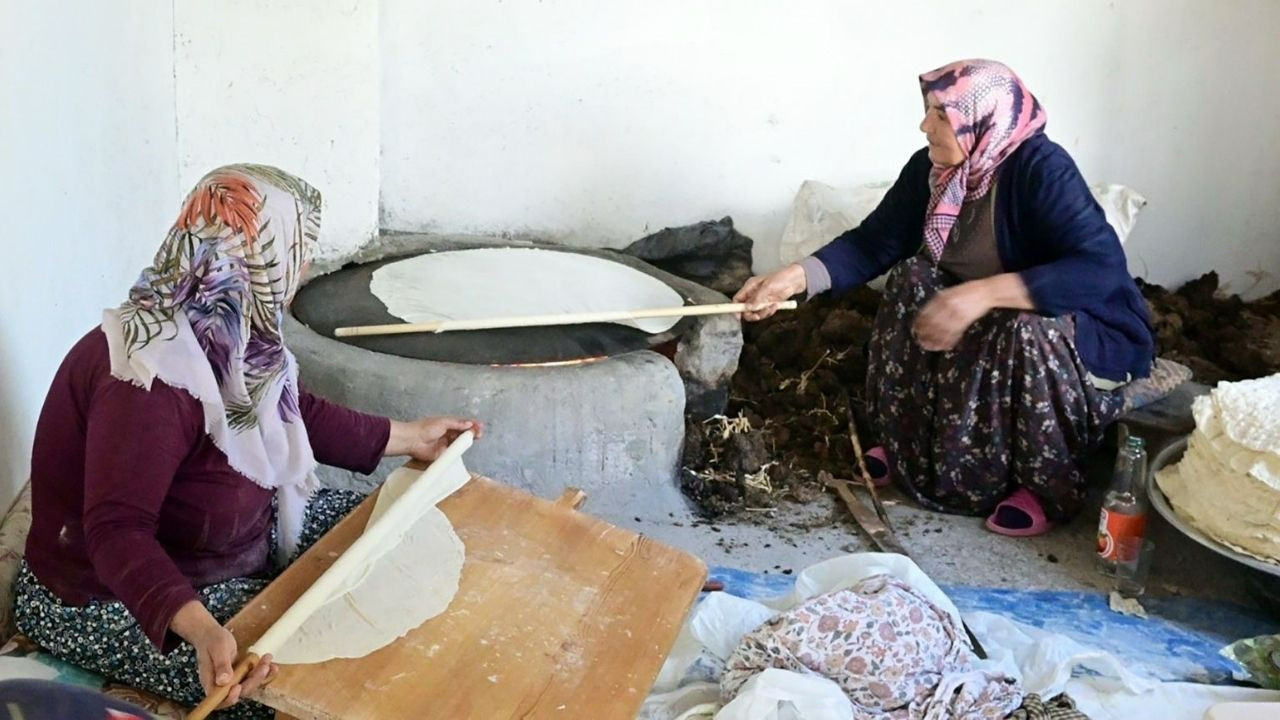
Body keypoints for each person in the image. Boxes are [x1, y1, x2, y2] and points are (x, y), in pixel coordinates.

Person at [15, 164, 484, 718]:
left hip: (227, 547)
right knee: (293, 677)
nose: (304, 268)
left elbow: (294, 411)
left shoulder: (229, 334)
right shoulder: (145, 376)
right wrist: (204, 632)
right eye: (298, 251)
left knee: (389, 533)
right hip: (102, 598)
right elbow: (117, 532)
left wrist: (409, 438)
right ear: (256, 260)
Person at [736, 59, 1154, 536]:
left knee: (1026, 327)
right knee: (911, 278)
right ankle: (906, 449)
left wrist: (984, 294)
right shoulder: (931, 170)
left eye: (941, 115)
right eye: (929, 111)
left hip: (1069, 327)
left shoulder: (1041, 169)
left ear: (983, 120)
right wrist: (793, 278)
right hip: (976, 316)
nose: (924, 125)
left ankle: (1046, 486)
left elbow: (1097, 269)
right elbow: (877, 242)